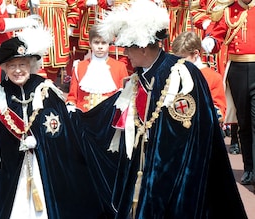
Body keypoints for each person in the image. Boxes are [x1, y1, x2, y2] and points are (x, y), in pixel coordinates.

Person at [96, 0, 247, 217]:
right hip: (147, 170)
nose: (126, 53)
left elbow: (186, 134)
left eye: (129, 47)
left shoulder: (181, 74)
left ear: (143, 47)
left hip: (175, 176)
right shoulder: (141, 76)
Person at [0, 25, 119, 219]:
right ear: (5, 68)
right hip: (10, 172)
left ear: (30, 65)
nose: (18, 70)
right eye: (12, 65)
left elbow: (66, 136)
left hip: (44, 171)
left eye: (22, 64)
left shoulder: (46, 91)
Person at [202, 0, 255, 185]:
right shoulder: (228, 11)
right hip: (238, 70)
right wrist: (210, 42)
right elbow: (216, 38)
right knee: (244, 122)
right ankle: (249, 168)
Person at [66, 24, 129, 112]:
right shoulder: (79, 67)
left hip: (108, 119)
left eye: (103, 43)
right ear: (90, 44)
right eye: (96, 43)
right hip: (83, 119)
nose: (100, 47)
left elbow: (124, 97)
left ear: (109, 44)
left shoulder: (120, 67)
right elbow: (72, 97)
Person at [171, 31, 227, 122]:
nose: (178, 62)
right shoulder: (173, 73)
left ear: (196, 53)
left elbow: (219, 113)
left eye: (182, 58)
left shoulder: (213, 77)